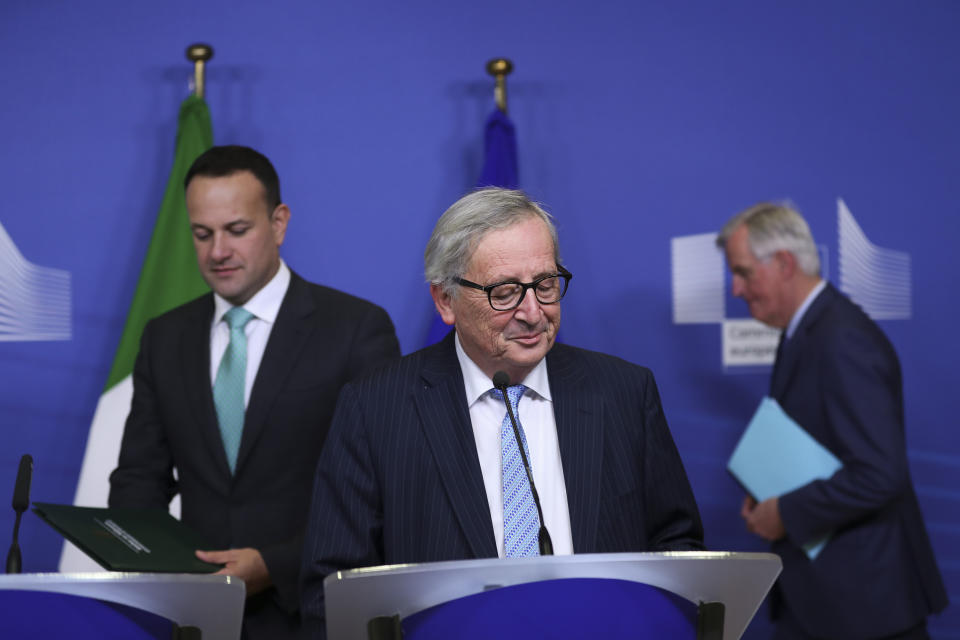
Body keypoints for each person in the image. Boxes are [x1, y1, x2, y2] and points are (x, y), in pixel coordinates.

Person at [300, 187, 704, 635]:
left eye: (546, 285)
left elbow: (677, 551)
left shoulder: (624, 393)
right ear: (445, 301)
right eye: (505, 292)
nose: (533, 313)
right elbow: (333, 590)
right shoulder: (376, 408)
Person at [109, 145, 400, 639]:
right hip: (193, 622)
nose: (217, 251)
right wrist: (149, 558)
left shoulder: (355, 329)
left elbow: (384, 488)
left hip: (313, 617)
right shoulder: (165, 337)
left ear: (279, 222)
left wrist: (275, 563)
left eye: (236, 230)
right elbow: (140, 477)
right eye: (202, 234)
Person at [717, 202, 947, 639]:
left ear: (784, 262)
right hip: (828, 600)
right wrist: (769, 494)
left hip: (865, 609)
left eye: (744, 272)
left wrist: (785, 511)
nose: (736, 289)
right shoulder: (806, 331)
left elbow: (880, 473)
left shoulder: (842, 339)